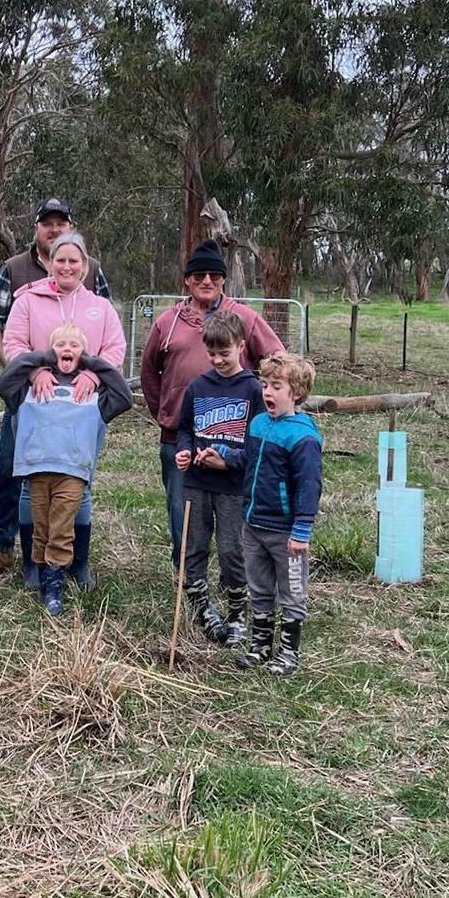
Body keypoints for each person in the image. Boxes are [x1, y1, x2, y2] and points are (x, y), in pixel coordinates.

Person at [0, 197, 110, 581]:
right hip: (32, 401)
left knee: (76, 480)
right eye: (47, 223)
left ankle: (73, 561)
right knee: (14, 471)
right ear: (37, 230)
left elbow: (110, 338)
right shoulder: (16, 273)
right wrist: (30, 373)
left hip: (81, 404)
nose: (54, 229)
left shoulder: (94, 276)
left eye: (60, 223)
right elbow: (3, 332)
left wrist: (94, 376)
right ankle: (3, 548)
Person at [141, 238, 284, 567]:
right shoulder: (167, 322)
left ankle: (235, 572)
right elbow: (149, 371)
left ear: (223, 280)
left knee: (233, 510)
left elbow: (278, 360)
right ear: (187, 280)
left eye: (214, 275)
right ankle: (187, 573)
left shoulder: (244, 318)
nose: (207, 281)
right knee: (182, 507)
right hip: (181, 437)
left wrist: (266, 407)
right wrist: (165, 412)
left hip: (235, 441)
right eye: (199, 275)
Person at [0, 324, 131, 615]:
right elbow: (4, 382)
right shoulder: (30, 387)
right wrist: (40, 360)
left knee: (60, 527)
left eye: (75, 345)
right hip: (37, 469)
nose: (67, 349)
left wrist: (92, 364)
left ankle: (55, 584)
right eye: (59, 345)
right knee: (41, 526)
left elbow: (124, 396)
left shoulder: (92, 391)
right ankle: (41, 574)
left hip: (72, 471)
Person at [173, 312, 264, 645]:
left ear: (241, 346)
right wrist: (184, 451)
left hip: (233, 487)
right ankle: (202, 608)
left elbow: (257, 442)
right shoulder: (198, 387)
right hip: (196, 483)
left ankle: (237, 612)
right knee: (194, 546)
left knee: (231, 550)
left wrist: (227, 462)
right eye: (211, 353)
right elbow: (184, 429)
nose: (217, 360)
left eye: (224, 353)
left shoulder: (253, 389)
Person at [238, 351, 323, 675]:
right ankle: (260, 645)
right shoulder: (258, 424)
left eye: (276, 386)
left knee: (292, 590)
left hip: (286, 532)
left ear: (296, 393)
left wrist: (302, 529)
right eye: (264, 385)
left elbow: (309, 486)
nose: (267, 392)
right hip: (253, 525)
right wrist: (224, 457)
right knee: (259, 587)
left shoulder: (303, 437)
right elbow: (248, 461)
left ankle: (288, 652)